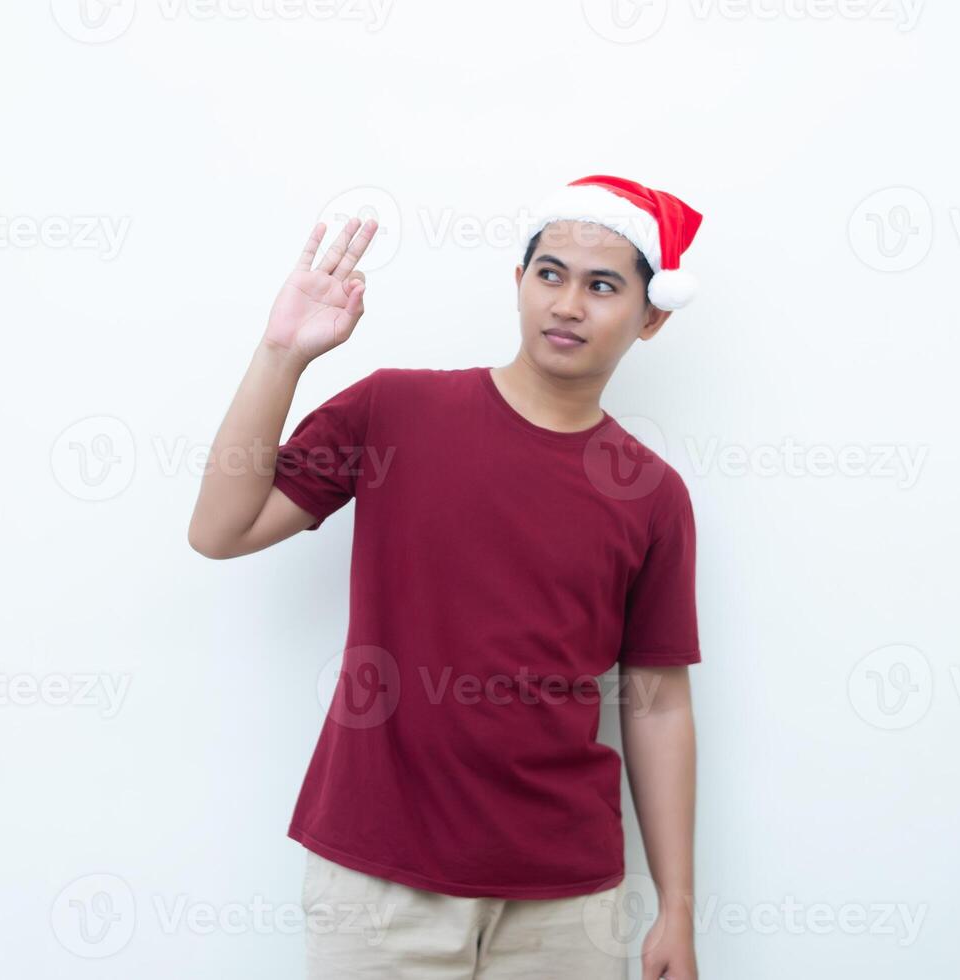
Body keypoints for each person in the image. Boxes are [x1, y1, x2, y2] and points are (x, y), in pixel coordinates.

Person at [189, 174, 704, 980]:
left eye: (603, 286)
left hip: (566, 902)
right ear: (520, 284)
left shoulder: (653, 495)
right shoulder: (395, 412)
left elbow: (661, 704)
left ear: (652, 316)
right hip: (380, 884)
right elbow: (221, 530)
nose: (568, 303)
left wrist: (676, 907)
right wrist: (281, 355)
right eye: (550, 274)